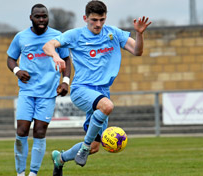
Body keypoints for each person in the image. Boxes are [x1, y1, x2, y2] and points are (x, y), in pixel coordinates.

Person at [43, 0, 151, 175]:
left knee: (95, 147)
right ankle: (84, 148)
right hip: (81, 89)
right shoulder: (75, 35)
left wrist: (139, 34)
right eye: (94, 20)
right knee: (107, 106)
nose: (98, 24)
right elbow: (48, 45)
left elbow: (137, 51)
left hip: (102, 91)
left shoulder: (114, 34)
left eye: (102, 19)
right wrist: (56, 56)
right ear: (85, 18)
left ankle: (60, 158)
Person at [7, 4, 71, 176]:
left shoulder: (57, 36)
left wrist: (65, 81)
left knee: (40, 131)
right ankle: (20, 173)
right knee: (21, 130)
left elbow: (66, 59)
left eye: (44, 16)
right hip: (27, 91)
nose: (41, 20)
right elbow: (11, 59)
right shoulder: (21, 37)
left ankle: (33, 173)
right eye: (38, 16)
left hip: (48, 92)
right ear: (31, 18)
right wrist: (17, 71)